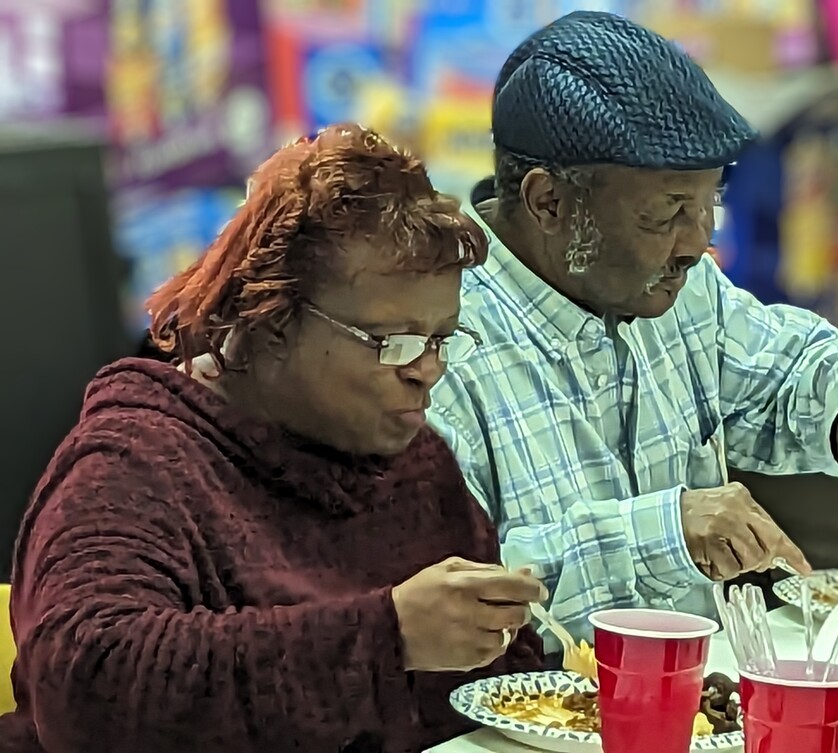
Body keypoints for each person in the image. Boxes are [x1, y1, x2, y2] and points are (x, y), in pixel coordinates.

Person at [0, 124, 545, 753]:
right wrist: (385, 638)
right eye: (390, 342)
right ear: (274, 319)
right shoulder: (134, 464)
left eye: (440, 340)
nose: (427, 368)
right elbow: (87, 689)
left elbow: (506, 688)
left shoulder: (414, 462)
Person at [427, 11, 838, 645]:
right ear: (549, 202)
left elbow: (789, 368)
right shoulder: (434, 338)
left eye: (710, 207)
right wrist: (664, 533)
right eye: (668, 214)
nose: (696, 243)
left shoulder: (681, 292)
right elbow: (456, 590)